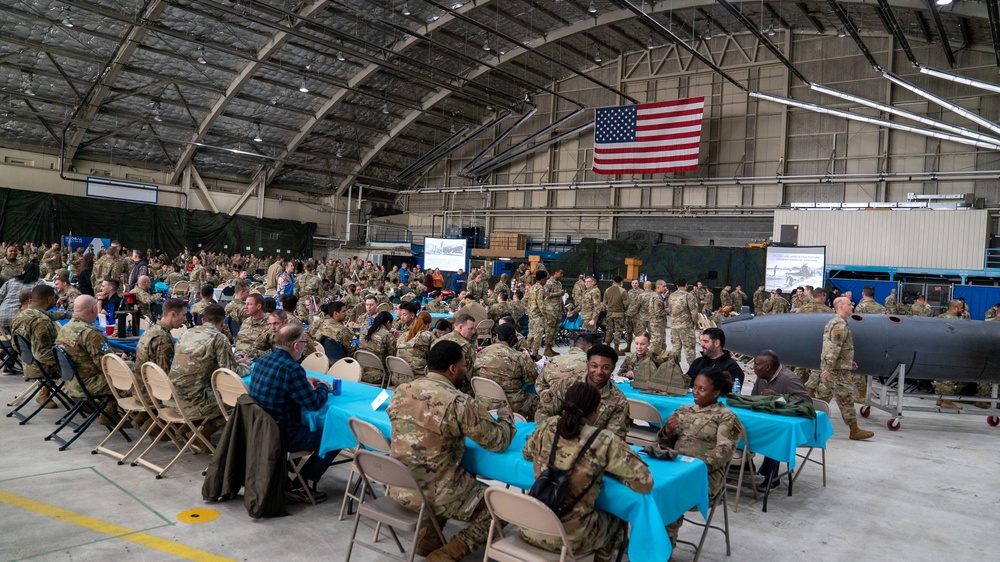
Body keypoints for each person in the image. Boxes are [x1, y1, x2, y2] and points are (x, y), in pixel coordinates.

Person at [387, 339, 516, 561]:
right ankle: (448, 555)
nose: (466, 369)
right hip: (435, 491)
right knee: (503, 507)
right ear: (453, 369)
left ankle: (429, 540)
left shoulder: (402, 390)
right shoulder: (458, 402)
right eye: (464, 365)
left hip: (401, 485)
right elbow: (497, 441)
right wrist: (506, 416)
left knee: (457, 477)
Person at [522, 381, 652, 561]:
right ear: (597, 409)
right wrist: (610, 469)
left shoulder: (548, 425)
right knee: (616, 522)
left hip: (530, 526)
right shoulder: (603, 439)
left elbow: (527, 453)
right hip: (572, 538)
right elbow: (644, 483)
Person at [652, 368, 742, 548]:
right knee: (645, 486)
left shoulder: (726, 417)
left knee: (669, 494)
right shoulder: (684, 410)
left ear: (716, 393)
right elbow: (663, 445)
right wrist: (667, 431)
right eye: (694, 387)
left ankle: (662, 550)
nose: (695, 392)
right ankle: (647, 541)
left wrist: (693, 467)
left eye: (702, 389)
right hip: (675, 468)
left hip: (704, 476)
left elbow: (723, 452)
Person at [249, 324, 339, 502]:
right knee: (335, 434)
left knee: (312, 424)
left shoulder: (262, 361)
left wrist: (303, 381)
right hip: (282, 435)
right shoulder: (292, 369)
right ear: (296, 345)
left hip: (260, 429)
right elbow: (313, 404)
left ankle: (291, 474)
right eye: (304, 342)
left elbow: (280, 384)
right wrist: (322, 386)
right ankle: (301, 483)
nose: (304, 347)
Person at [169, 304, 245, 440]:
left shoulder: (187, 333)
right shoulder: (219, 338)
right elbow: (230, 373)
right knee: (239, 403)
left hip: (172, 398)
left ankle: (186, 429)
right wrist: (246, 366)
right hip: (193, 403)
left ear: (203, 320)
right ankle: (201, 435)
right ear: (223, 322)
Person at [536, 344, 629, 440]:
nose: (599, 371)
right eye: (594, 366)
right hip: (558, 441)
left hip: (592, 449)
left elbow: (615, 438)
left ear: (613, 368)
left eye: (605, 367)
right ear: (587, 364)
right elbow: (543, 413)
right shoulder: (567, 384)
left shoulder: (618, 400)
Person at [751, 350, 812, 491]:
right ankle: (743, 465)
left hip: (789, 428)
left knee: (776, 435)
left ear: (767, 367)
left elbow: (806, 402)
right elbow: (753, 397)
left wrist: (779, 397)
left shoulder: (789, 379)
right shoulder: (761, 376)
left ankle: (772, 476)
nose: (753, 367)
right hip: (766, 421)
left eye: (756, 364)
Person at [820, 297, 874, 440]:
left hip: (833, 368)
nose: (852, 306)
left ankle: (808, 426)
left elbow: (839, 347)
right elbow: (834, 347)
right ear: (841, 307)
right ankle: (854, 430)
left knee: (821, 399)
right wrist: (830, 368)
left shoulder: (838, 322)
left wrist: (849, 361)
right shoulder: (840, 324)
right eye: (849, 304)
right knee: (846, 399)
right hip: (836, 371)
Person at [55, 295, 113, 403]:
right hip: (88, 384)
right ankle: (140, 415)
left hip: (71, 381)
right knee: (130, 371)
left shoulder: (65, 328)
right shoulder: (91, 333)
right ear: (94, 309)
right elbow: (106, 365)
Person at [474, 324, 538, 418]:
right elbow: (532, 379)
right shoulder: (519, 357)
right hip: (512, 403)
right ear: (514, 338)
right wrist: (529, 359)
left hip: (485, 401)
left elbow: (475, 370)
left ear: (497, 337)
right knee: (538, 401)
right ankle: (528, 429)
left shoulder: (482, 353)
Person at [12, 285, 60, 407]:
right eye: (54, 298)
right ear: (49, 299)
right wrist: (68, 357)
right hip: (37, 365)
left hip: (26, 360)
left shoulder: (22, 314)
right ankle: (82, 398)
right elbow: (43, 355)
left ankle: (44, 392)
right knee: (81, 360)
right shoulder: (41, 321)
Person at [134, 298, 186, 403]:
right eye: (183, 315)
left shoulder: (151, 330)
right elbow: (166, 374)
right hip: (153, 393)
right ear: (173, 314)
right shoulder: (162, 338)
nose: (185, 319)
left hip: (141, 388)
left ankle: (142, 419)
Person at [431, 313, 478, 383]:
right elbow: (471, 375)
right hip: (458, 386)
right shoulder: (465, 346)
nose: (473, 331)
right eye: (470, 329)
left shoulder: (437, 341)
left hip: (436, 382)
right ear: (461, 327)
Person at [0, 261, 42, 331]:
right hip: (22, 319)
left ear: (23, 271)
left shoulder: (11, 281)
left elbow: (0, 296)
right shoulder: (39, 284)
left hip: (2, 315)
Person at [395, 311, 436, 383]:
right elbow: (436, 356)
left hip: (398, 378)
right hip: (417, 380)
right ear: (429, 325)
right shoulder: (428, 336)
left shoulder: (403, 335)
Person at [358, 310, 396, 385]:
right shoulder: (387, 336)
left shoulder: (365, 331)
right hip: (380, 375)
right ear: (388, 322)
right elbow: (393, 356)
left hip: (362, 372)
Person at [667, 278, 699, 362]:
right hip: (686, 327)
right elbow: (694, 312)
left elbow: (670, 310)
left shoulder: (671, 296)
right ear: (686, 285)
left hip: (674, 326)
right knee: (689, 350)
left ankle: (675, 370)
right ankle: (693, 371)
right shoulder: (689, 296)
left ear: (677, 286)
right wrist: (694, 323)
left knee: (676, 349)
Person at [235, 293, 273, 360]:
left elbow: (272, 350)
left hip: (254, 359)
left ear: (258, 306)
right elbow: (239, 339)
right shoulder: (246, 321)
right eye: (245, 304)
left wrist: (252, 354)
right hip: (237, 355)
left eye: (249, 304)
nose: (245, 307)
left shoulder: (271, 322)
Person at [542, 269, 566, 357]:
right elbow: (545, 294)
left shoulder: (559, 283)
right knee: (550, 329)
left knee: (555, 330)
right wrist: (557, 293)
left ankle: (550, 348)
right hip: (550, 310)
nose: (561, 276)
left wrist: (563, 308)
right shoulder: (549, 283)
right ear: (555, 273)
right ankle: (547, 348)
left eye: (562, 274)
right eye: (560, 274)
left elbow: (560, 298)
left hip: (558, 310)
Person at [602, 276, 627, 354]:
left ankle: (608, 346)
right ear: (621, 282)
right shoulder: (622, 291)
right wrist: (624, 310)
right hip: (619, 313)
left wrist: (608, 309)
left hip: (609, 313)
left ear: (613, 281)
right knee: (618, 331)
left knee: (609, 330)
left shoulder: (607, 290)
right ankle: (616, 349)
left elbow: (604, 302)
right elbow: (626, 303)